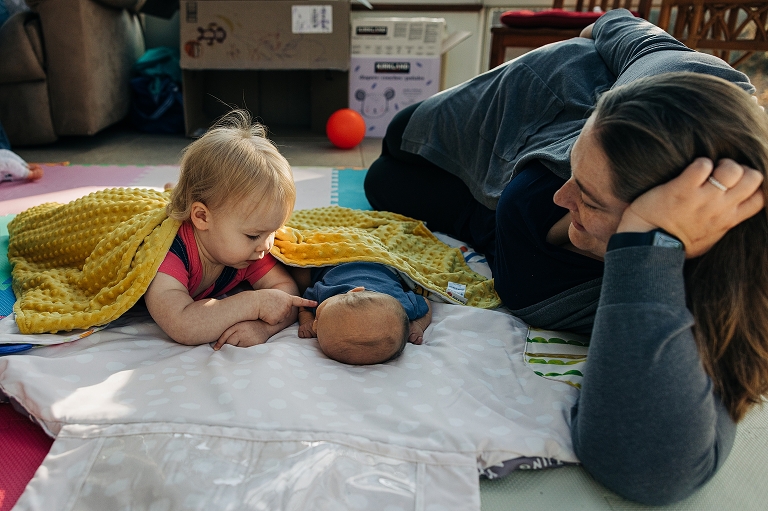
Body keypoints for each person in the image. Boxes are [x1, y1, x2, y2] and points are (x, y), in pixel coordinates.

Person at [364, 9, 768, 506]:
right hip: (532, 108)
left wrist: (645, 249)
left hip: (495, 218)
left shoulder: (708, 283)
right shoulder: (672, 90)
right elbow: (638, 35)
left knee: (387, 185)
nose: (562, 197)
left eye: (593, 201)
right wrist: (602, 27)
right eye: (575, 173)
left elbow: (649, 470)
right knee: (393, 147)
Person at [144, 110, 316, 350]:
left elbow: (286, 296)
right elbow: (181, 323)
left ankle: (173, 191)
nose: (266, 246)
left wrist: (264, 328)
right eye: (254, 234)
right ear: (202, 217)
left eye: (272, 231)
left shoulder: (247, 252)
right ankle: (171, 193)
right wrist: (252, 304)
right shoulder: (171, 254)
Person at [290, 262, 433, 365]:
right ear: (354, 291)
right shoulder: (405, 305)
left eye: (317, 319)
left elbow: (305, 302)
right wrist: (418, 324)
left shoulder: (323, 292)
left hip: (329, 266)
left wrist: (306, 318)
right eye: (317, 320)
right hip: (377, 263)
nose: (314, 326)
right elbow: (425, 302)